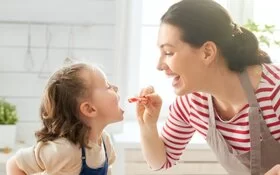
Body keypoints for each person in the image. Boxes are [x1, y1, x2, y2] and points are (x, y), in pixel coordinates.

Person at [135, 0, 280, 174]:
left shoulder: (274, 90)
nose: (159, 65)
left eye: (168, 53)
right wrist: (148, 125)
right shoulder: (191, 104)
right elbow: (161, 160)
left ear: (207, 52)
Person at [6, 62, 124, 175]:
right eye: (108, 86)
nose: (116, 88)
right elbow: (14, 164)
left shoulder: (105, 142)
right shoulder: (65, 151)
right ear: (89, 109)